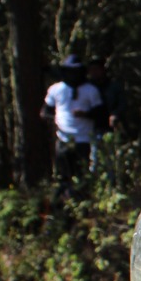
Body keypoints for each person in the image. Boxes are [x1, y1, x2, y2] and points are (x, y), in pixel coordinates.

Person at [41, 54, 102, 191]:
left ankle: (82, 197)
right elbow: (45, 111)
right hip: (63, 138)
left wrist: (85, 114)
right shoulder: (56, 89)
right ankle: (65, 198)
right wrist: (54, 120)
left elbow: (100, 113)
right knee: (64, 174)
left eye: (76, 71)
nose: (73, 74)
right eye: (70, 71)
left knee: (82, 174)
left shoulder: (91, 90)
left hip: (84, 139)